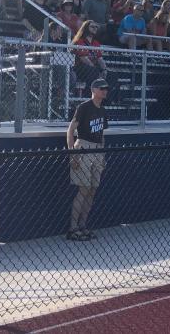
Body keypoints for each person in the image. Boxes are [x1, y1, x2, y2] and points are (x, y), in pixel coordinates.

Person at [65, 77, 109, 241]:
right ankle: (73, 228)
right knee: (83, 189)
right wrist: (72, 154)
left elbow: (101, 134)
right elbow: (70, 131)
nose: (105, 91)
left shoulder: (103, 110)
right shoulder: (84, 107)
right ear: (94, 90)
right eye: (102, 88)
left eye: (106, 88)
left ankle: (83, 226)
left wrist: (103, 154)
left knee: (92, 190)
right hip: (83, 148)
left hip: (97, 151)